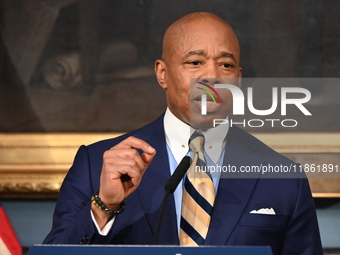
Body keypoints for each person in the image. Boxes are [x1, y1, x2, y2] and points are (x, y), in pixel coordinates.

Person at [43, 12, 323, 255]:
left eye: (225, 65)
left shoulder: (284, 179)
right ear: (162, 74)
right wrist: (103, 206)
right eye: (195, 63)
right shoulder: (97, 164)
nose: (212, 75)